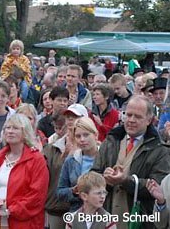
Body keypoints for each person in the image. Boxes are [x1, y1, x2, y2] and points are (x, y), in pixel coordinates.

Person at [91, 95, 170, 229]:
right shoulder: (110, 142)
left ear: (149, 120)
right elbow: (94, 174)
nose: (131, 120)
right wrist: (104, 179)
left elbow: (158, 186)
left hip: (140, 221)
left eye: (138, 117)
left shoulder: (159, 150)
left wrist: (125, 181)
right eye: (129, 115)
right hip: (106, 219)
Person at [0, 114, 49, 229]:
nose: (10, 131)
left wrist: (9, 210)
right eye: (8, 128)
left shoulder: (36, 160)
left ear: (25, 133)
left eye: (16, 128)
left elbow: (37, 196)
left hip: (24, 223)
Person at [57, 117, 99, 213]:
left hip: (101, 216)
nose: (82, 139)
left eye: (86, 135)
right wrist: (73, 191)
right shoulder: (71, 160)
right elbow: (60, 192)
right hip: (77, 215)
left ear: (95, 135)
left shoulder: (106, 158)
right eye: (78, 136)